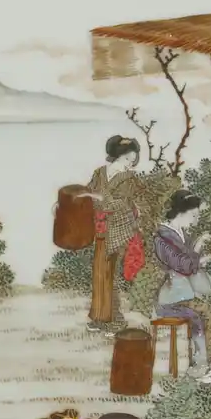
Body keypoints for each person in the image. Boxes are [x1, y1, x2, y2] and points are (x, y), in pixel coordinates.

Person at [152, 189, 211, 383]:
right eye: (193, 215)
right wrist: (201, 253)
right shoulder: (162, 238)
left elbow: (190, 263)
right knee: (198, 315)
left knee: (208, 311)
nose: (196, 220)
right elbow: (184, 265)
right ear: (181, 212)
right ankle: (199, 369)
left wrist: (200, 248)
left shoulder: (181, 235)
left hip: (182, 294)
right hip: (168, 299)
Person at [83, 135, 143, 333]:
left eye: (133, 160)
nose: (131, 164)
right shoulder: (99, 173)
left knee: (112, 276)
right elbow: (87, 194)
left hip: (121, 229)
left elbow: (121, 204)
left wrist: (97, 198)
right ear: (118, 156)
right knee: (100, 274)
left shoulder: (130, 178)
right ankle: (99, 318)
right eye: (128, 159)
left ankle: (115, 320)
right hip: (101, 229)